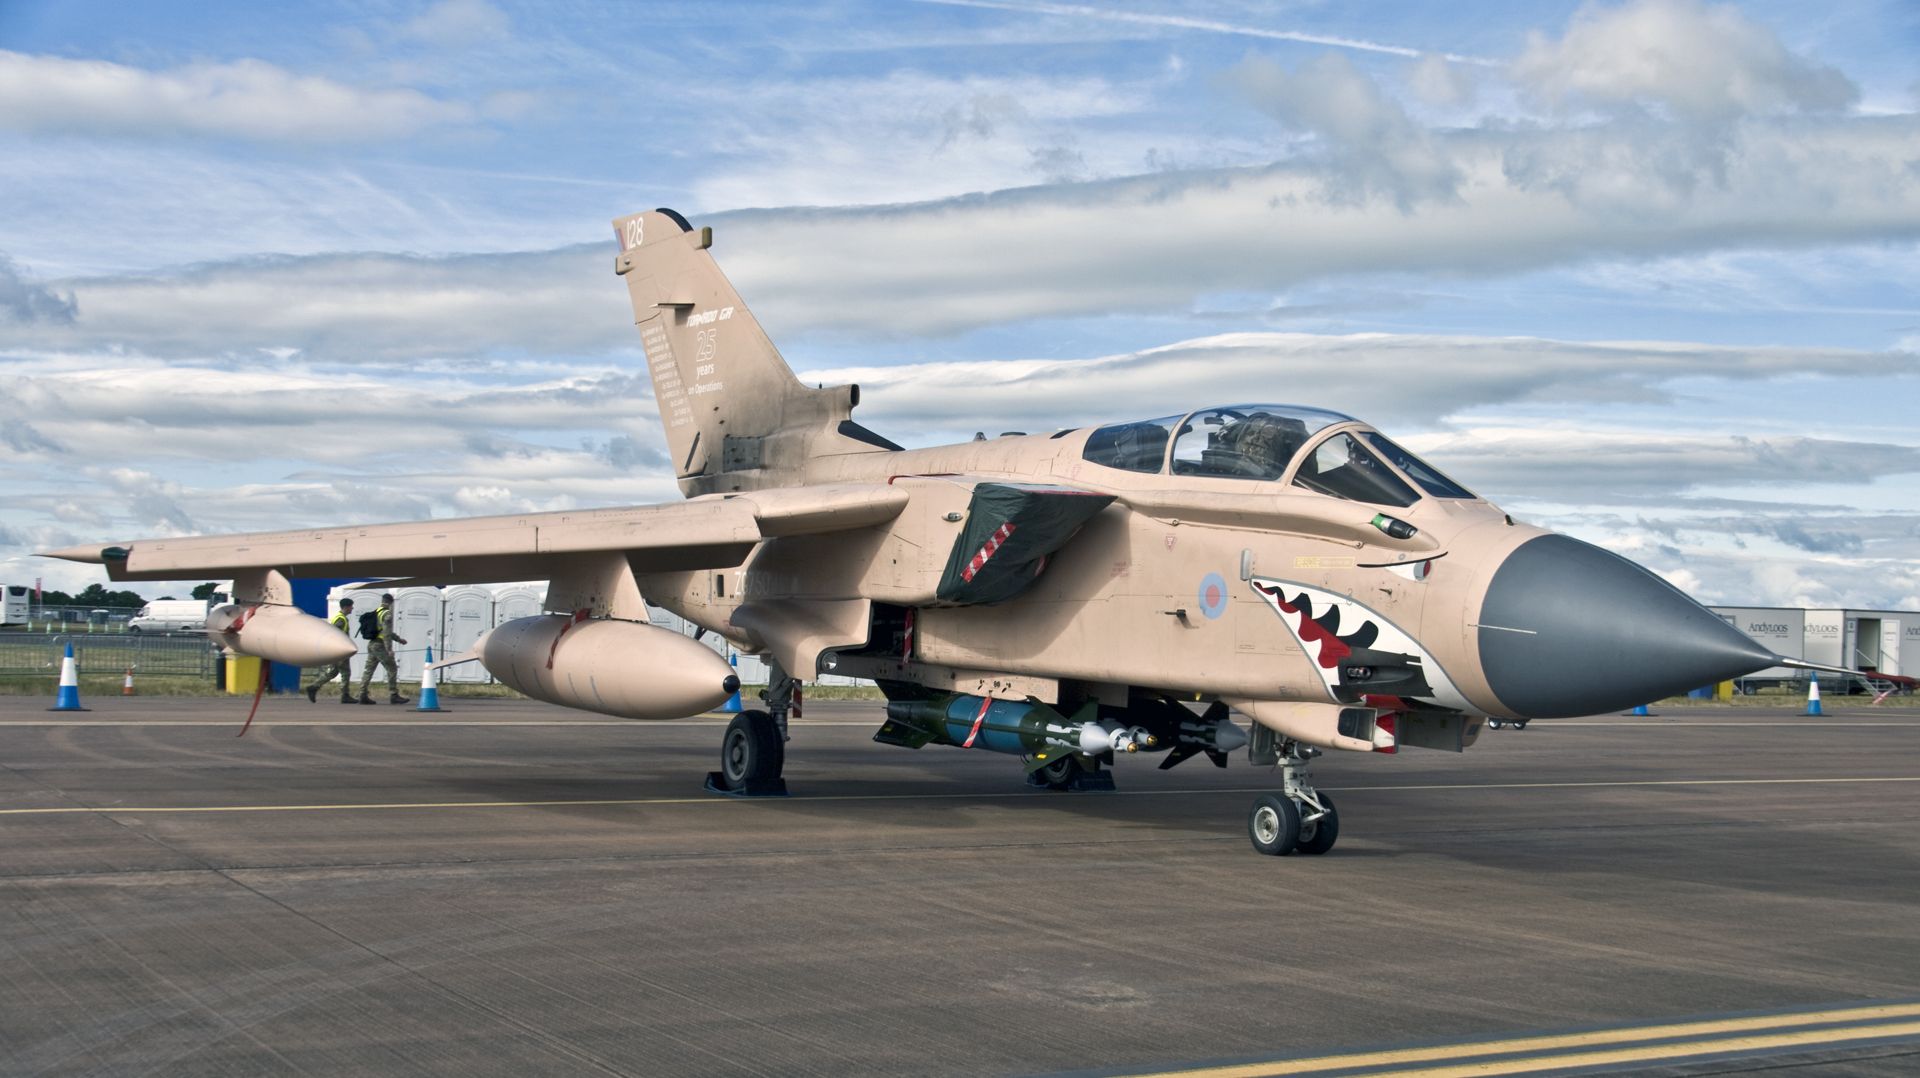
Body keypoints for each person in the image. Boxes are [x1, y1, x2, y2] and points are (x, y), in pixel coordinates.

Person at [357, 592, 410, 704]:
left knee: (368, 670)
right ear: (391, 602)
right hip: (380, 646)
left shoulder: (377, 612)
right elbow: (386, 633)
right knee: (392, 668)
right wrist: (389, 649)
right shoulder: (387, 614)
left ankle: (362, 694)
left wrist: (399, 640)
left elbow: (385, 631)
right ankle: (393, 694)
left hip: (372, 644)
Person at [305, 597, 356, 704]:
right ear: (346, 607)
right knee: (345, 672)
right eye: (351, 606)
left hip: (337, 649)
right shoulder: (341, 619)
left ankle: (314, 687)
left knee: (333, 672)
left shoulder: (340, 618)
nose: (352, 608)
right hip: (340, 650)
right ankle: (345, 695)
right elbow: (334, 634)